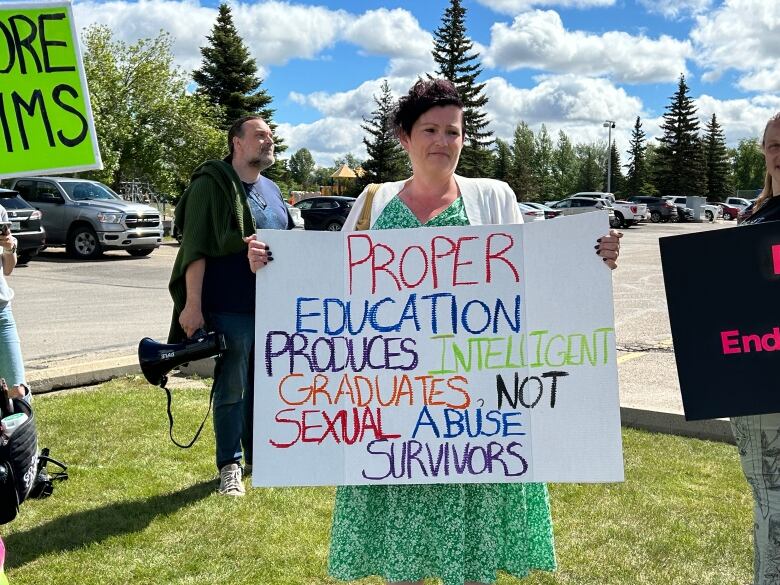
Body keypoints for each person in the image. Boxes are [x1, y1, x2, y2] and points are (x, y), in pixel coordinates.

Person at [247, 79, 621, 584]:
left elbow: (535, 278)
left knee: (471, 563)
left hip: (475, 419)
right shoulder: (372, 203)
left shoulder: (494, 199)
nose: (443, 141)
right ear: (404, 136)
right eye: (430, 129)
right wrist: (273, 265)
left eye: (453, 131)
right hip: (395, 416)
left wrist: (591, 259)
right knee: (403, 562)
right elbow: (332, 287)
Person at [168, 115, 293, 496]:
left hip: (270, 308)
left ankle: (258, 454)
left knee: (266, 386)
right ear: (237, 143)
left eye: (271, 135)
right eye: (259, 135)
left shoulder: (271, 189)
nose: (268, 141)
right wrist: (192, 306)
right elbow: (196, 249)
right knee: (233, 387)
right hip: (229, 307)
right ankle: (229, 466)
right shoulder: (212, 183)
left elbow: (284, 245)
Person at [730, 112, 780, 585]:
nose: (779, 152)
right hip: (753, 392)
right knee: (766, 506)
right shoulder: (753, 216)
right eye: (773, 144)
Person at [0, 205, 28, 402]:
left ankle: (22, 432)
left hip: (1, 311)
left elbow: (8, 269)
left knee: (17, 390)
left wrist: (10, 248)